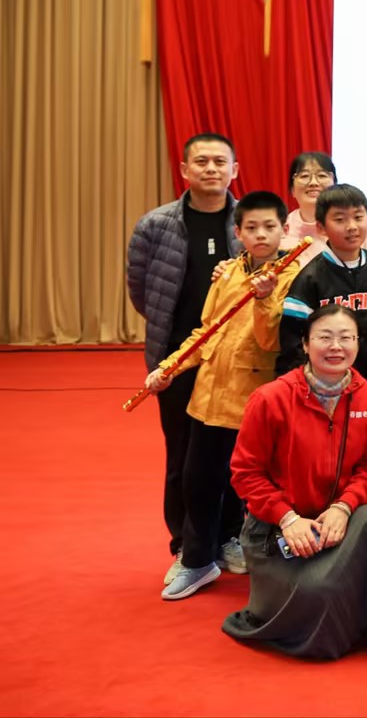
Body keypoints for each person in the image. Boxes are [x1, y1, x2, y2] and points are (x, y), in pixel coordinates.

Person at [142, 190, 298, 599]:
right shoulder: (228, 272)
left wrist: (264, 299)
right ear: (238, 232)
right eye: (251, 227)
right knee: (198, 479)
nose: (260, 234)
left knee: (250, 482)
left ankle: (245, 546)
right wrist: (169, 367)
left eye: (269, 227)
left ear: (284, 229)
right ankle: (197, 561)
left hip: (253, 396)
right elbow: (205, 332)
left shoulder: (293, 275)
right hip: (208, 394)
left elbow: (272, 342)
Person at [224, 304, 367, 660]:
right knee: (318, 590)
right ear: (304, 343)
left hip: (333, 525)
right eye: (325, 337)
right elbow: (245, 473)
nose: (336, 347)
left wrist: (344, 507)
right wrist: (287, 518)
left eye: (346, 337)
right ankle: (337, 612)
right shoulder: (270, 399)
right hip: (276, 529)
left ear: (358, 343)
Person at [126, 132, 242, 582]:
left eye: (220, 162)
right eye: (202, 162)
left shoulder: (247, 223)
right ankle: (185, 544)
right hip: (175, 359)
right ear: (184, 170)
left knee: (233, 455)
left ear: (234, 170)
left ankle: (228, 537)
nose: (211, 169)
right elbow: (142, 291)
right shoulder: (155, 225)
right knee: (182, 454)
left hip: (232, 361)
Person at [279, 184, 367, 392]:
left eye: (358, 217)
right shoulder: (310, 278)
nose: (352, 226)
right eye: (340, 220)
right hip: (325, 388)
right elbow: (293, 342)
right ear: (321, 228)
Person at [285, 151, 367, 265]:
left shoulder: (354, 229)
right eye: (304, 176)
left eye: (322, 175)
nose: (313, 183)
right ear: (292, 189)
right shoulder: (281, 230)